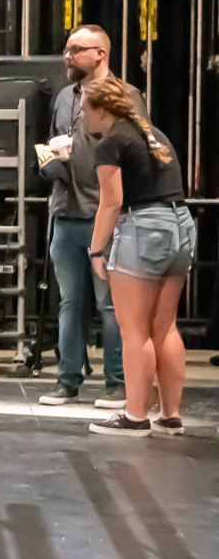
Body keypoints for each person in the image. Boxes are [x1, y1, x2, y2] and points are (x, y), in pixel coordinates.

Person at [38, 24, 143, 407]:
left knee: (110, 305)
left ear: (100, 53)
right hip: (66, 213)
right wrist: (49, 159)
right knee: (69, 303)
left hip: (107, 216)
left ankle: (117, 382)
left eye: (76, 49)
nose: (68, 56)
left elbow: (136, 149)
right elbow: (52, 145)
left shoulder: (126, 95)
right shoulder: (65, 96)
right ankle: (67, 379)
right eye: (67, 49)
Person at [84, 76, 194, 437]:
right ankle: (171, 415)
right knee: (166, 326)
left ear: (102, 110)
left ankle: (135, 415)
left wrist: (96, 249)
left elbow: (111, 202)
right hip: (181, 224)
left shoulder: (111, 143)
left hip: (145, 228)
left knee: (134, 331)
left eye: (85, 109)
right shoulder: (155, 135)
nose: (82, 116)